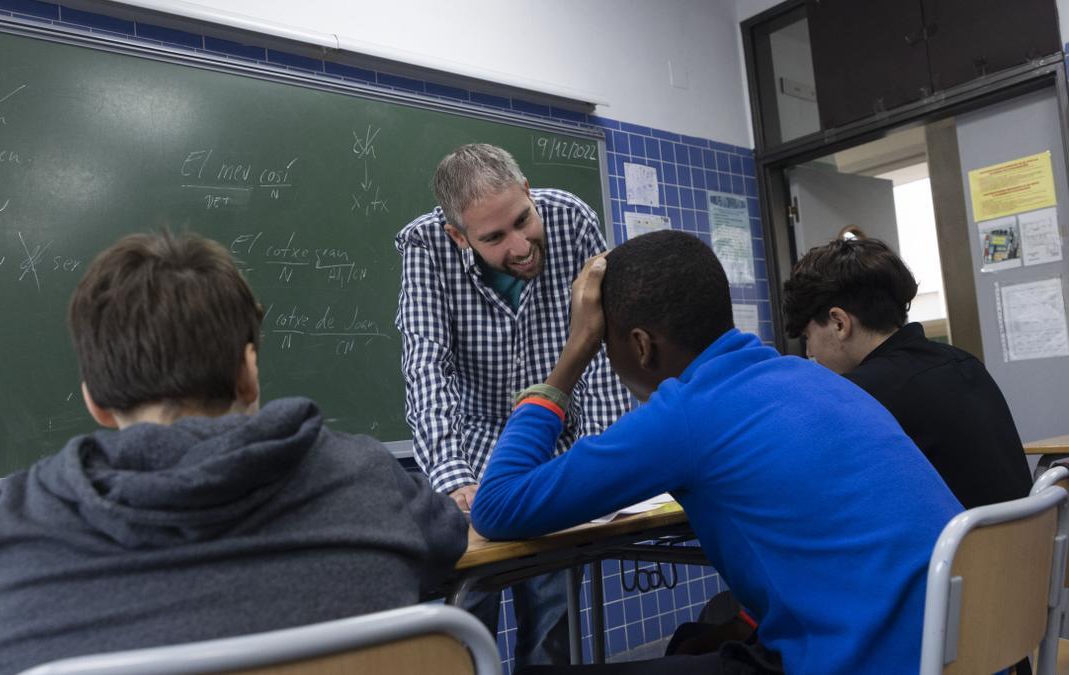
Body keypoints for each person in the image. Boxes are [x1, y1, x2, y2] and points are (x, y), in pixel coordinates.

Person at [0, 232, 467, 675]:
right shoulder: (368, 480)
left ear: (95, 402)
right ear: (249, 373)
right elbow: (447, 540)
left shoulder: (6, 538)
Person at [471, 230, 962, 674]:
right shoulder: (810, 376)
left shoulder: (686, 413)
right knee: (693, 641)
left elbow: (496, 506)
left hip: (856, 663)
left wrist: (577, 347)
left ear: (641, 346)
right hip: (962, 651)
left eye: (606, 345)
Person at [395, 143, 630, 666]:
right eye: (494, 238)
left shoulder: (572, 219)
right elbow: (427, 364)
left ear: (526, 190)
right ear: (459, 236)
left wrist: (601, 460)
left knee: (552, 622)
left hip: (556, 450)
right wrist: (453, 476)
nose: (521, 247)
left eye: (523, 220)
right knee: (469, 614)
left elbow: (601, 348)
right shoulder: (425, 245)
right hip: (476, 450)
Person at [781, 237, 1032, 508]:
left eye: (808, 336)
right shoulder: (963, 362)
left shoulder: (861, 394)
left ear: (839, 323)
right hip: (1026, 533)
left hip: (954, 536)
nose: (810, 352)